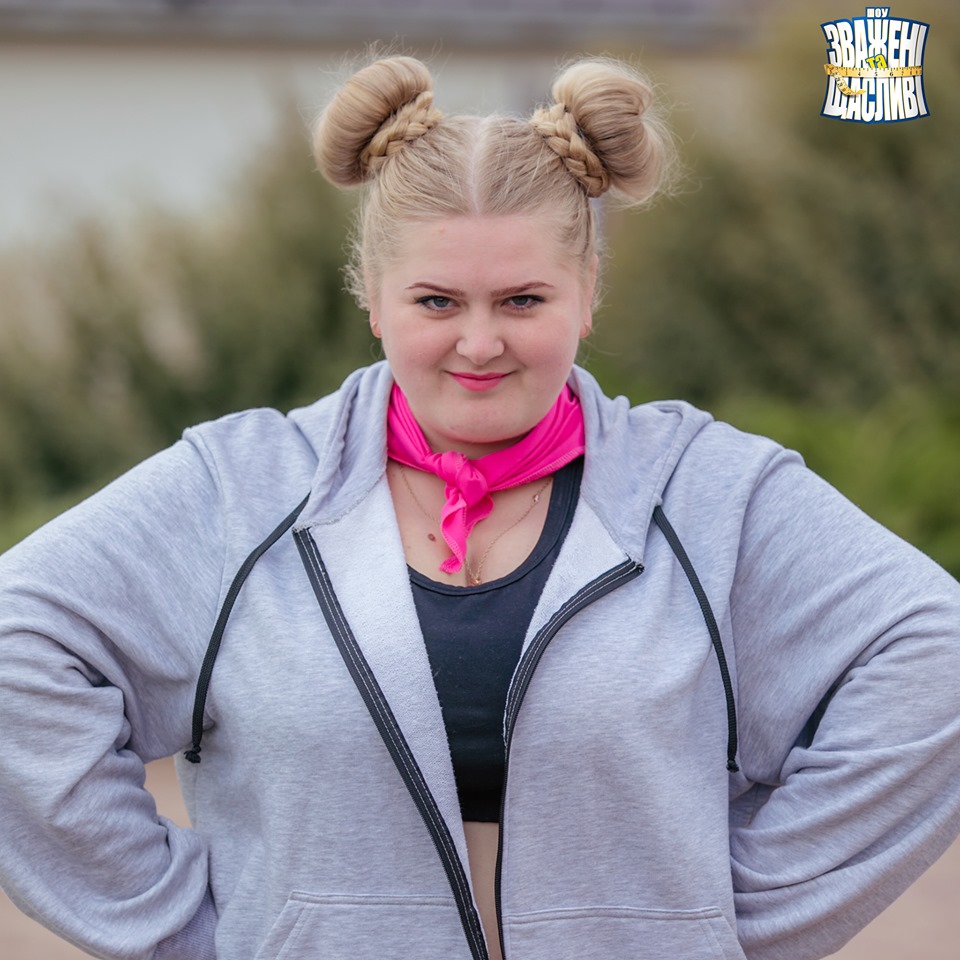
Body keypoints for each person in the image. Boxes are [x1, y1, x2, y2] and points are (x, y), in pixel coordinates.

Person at [1, 54, 959, 960]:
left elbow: (934, 654)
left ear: (588, 294)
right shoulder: (235, 490)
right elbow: (19, 643)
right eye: (436, 302)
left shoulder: (712, 493)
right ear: (373, 300)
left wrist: (714, 923)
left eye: (523, 300)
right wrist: (178, 927)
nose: (479, 343)